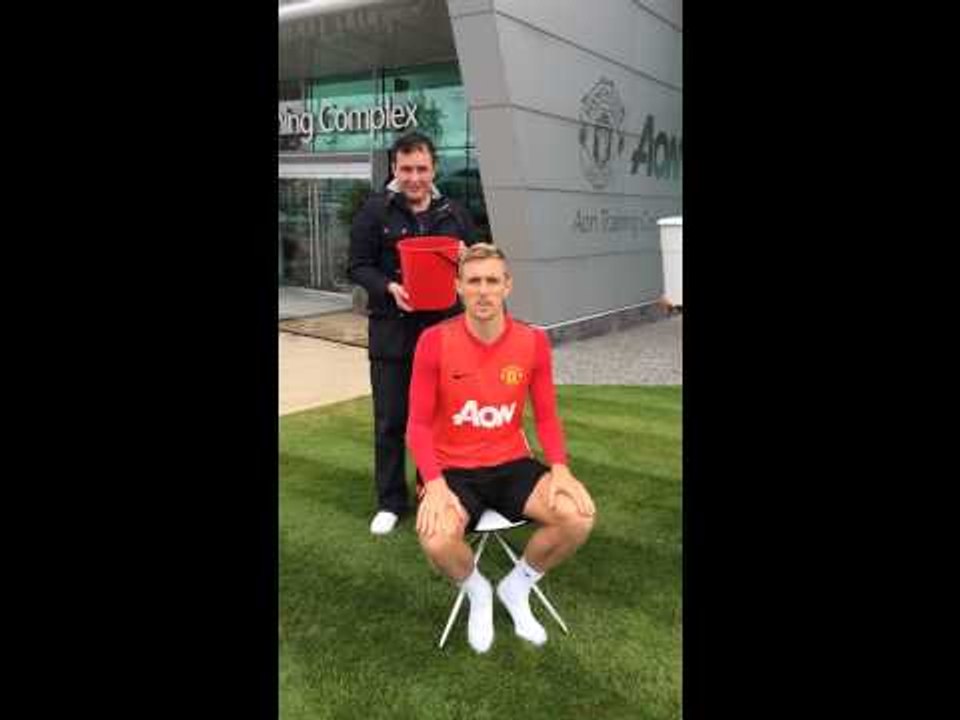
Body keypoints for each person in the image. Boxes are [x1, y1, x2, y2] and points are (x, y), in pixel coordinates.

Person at [406, 243, 596, 653]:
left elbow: (546, 417)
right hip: (450, 469)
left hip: (511, 463)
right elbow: (418, 425)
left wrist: (560, 468)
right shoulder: (433, 341)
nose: (483, 291)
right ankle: (477, 590)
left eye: (492, 280)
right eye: (474, 281)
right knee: (437, 539)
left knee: (578, 517)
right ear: (458, 287)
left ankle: (517, 586)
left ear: (508, 285)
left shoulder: (532, 342)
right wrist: (434, 484)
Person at [348, 131, 477, 535]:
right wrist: (388, 287)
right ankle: (390, 501)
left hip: (445, 334)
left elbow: (476, 264)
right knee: (391, 421)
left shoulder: (455, 211)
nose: (415, 177)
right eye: (407, 169)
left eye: (422, 168)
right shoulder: (374, 211)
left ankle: (435, 493)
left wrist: (466, 258)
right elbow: (357, 266)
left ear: (433, 168)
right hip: (392, 334)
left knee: (442, 421)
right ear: (394, 169)